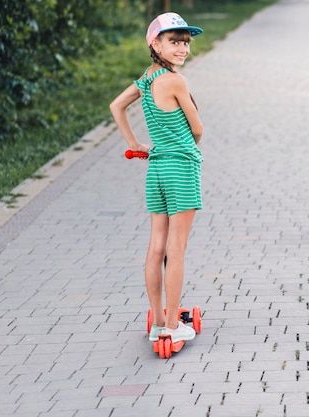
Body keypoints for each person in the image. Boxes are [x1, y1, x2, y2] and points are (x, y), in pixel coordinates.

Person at [109, 12, 204, 343]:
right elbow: (198, 129)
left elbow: (116, 106)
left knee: (156, 248)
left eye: (185, 43)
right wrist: (189, 142)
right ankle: (174, 326)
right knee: (176, 249)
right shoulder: (176, 81)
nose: (181, 49)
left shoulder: (146, 79)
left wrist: (134, 144)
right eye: (174, 42)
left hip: (157, 170)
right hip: (181, 168)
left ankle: (158, 320)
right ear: (156, 43)